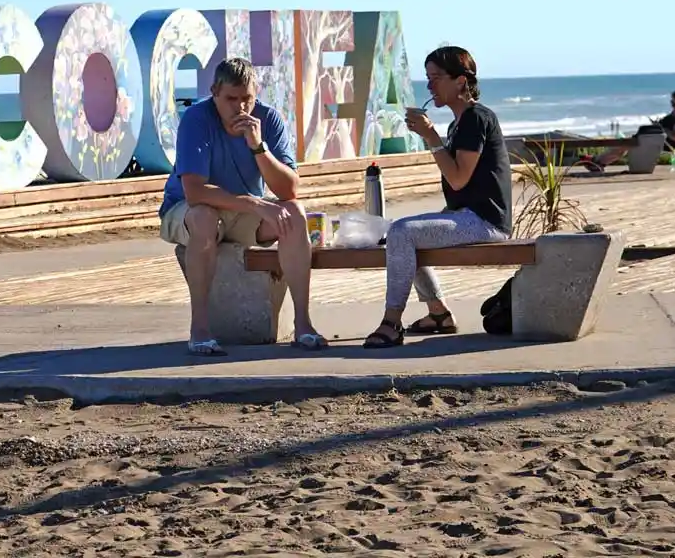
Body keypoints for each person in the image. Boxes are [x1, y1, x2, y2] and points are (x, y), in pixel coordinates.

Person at [159, 58, 327, 356]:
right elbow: (194, 191)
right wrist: (253, 203)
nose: (239, 108)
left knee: (295, 215)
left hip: (243, 214)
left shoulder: (269, 119)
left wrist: (258, 147)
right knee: (204, 219)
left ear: (256, 92)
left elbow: (289, 189)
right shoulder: (197, 119)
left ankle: (304, 324)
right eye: (230, 99)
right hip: (188, 209)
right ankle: (200, 329)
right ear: (214, 92)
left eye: (246, 99)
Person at [362, 46, 513, 348]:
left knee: (403, 232)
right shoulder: (459, 123)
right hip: (471, 216)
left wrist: (431, 137)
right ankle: (439, 313)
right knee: (403, 231)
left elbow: (458, 179)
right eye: (428, 78)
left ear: (461, 81)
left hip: (487, 223)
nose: (430, 86)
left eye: (436, 78)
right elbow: (464, 187)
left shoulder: (475, 118)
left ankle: (391, 323)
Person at [579, 87, 675, 172]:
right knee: (624, 145)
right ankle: (598, 162)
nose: (672, 105)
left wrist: (661, 128)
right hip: (655, 138)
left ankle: (597, 162)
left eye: (674, 103)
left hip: (659, 141)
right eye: (671, 102)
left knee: (625, 144)